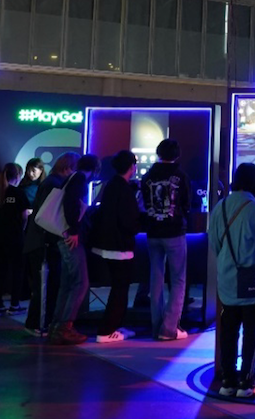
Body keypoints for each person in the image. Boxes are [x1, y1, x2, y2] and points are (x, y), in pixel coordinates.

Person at [211, 163, 255, 398]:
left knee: (228, 331)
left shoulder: (219, 207)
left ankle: (227, 381)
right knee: (252, 331)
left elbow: (215, 245)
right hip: (254, 282)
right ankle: (246, 382)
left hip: (227, 281)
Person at [141, 138, 192, 341]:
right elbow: (187, 204)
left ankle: (156, 326)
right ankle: (169, 328)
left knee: (156, 278)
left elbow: (143, 203)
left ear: (158, 152)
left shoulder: (147, 176)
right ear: (177, 155)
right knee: (178, 279)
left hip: (152, 232)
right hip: (175, 232)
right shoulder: (181, 176)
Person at [91, 150, 143, 343]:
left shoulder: (112, 185)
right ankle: (107, 330)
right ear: (131, 167)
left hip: (107, 244)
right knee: (120, 289)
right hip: (119, 247)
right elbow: (129, 221)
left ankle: (115, 326)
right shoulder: (124, 189)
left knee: (119, 287)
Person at [48, 154, 99, 346]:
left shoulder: (72, 178)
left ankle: (57, 326)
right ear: (94, 169)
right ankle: (64, 328)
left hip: (62, 235)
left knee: (68, 283)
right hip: (70, 237)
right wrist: (74, 231)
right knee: (80, 282)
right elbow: (71, 204)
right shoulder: (79, 179)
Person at [23, 153, 75, 337]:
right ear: (68, 168)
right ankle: (38, 324)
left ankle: (40, 323)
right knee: (44, 287)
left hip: (41, 242)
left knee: (46, 286)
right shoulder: (53, 184)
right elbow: (47, 216)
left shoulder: (51, 182)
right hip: (43, 243)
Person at [0, 163, 27, 316]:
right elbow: (24, 216)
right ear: (18, 176)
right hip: (14, 237)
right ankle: (15, 304)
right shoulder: (18, 193)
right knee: (17, 271)